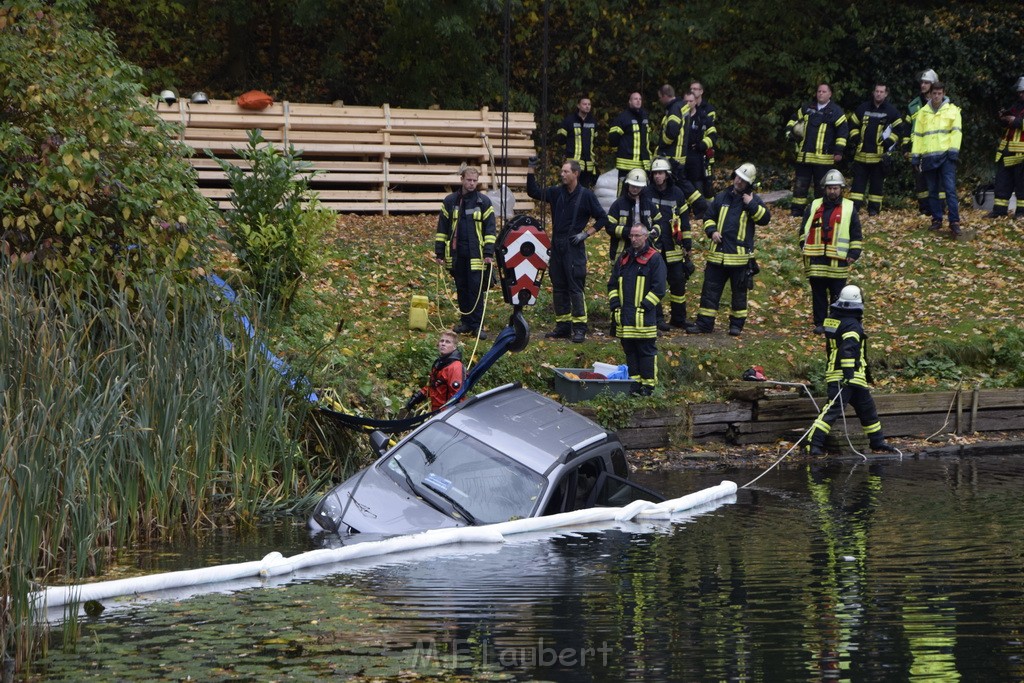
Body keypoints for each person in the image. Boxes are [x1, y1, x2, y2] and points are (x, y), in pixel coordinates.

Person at [806, 285, 897, 456]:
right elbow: (847, 349)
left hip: (852, 376)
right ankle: (813, 443)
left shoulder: (834, 320)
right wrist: (848, 374)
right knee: (832, 410)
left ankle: (877, 442)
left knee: (867, 410)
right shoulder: (852, 325)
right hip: (847, 376)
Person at [526, 159, 608, 343]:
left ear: (575, 174)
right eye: (562, 171)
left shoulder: (586, 195)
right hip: (557, 247)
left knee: (575, 288)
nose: (562, 174)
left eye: (565, 172)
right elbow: (533, 192)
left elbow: (603, 219)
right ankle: (563, 326)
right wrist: (531, 169)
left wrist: (585, 234)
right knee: (559, 287)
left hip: (574, 247)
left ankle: (580, 328)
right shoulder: (556, 193)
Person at [686, 163, 770, 336]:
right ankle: (704, 324)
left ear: (749, 183)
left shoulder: (753, 200)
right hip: (717, 255)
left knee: (739, 294)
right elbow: (708, 217)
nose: (739, 181)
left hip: (740, 259)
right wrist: (712, 231)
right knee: (709, 291)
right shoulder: (722, 196)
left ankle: (736, 326)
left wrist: (751, 204)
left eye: (743, 180)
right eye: (738, 177)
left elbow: (765, 219)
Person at [435, 166, 495, 338]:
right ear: (462, 179)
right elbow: (442, 229)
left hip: (477, 255)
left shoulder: (483, 202)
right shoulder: (450, 201)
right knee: (461, 288)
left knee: (475, 291)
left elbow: (490, 230)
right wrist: (439, 253)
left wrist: (488, 253)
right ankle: (466, 322)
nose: (472, 183)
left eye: (475, 181)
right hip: (456, 254)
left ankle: (477, 326)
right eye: (469, 180)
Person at [800, 170, 863, 333]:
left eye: (835, 188)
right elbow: (803, 230)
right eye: (829, 188)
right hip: (816, 259)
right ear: (824, 189)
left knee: (837, 294)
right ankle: (820, 323)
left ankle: (835, 323)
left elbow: (856, 232)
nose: (832, 191)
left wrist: (853, 254)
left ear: (841, 189)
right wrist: (804, 247)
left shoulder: (849, 208)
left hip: (838, 260)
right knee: (818, 294)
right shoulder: (814, 206)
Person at [608, 223, 666, 396]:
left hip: (643, 319)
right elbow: (612, 285)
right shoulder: (624, 257)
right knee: (630, 352)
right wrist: (615, 306)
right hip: (625, 319)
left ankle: (649, 388)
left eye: (637, 236)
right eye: (631, 236)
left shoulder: (654, 258)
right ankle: (634, 386)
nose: (633, 239)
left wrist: (644, 307)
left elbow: (659, 289)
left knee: (646, 353)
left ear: (645, 236)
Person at [649, 157, 706, 329]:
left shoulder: (678, 194)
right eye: (655, 173)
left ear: (667, 175)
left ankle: (679, 319)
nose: (657, 176)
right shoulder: (647, 193)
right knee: (655, 283)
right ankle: (658, 319)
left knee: (678, 284)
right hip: (654, 246)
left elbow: (684, 221)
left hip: (673, 246)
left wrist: (687, 244)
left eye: (660, 173)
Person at [786, 83, 849, 217]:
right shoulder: (807, 108)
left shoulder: (836, 112)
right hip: (804, 156)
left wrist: (839, 151)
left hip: (824, 159)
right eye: (819, 91)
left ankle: (819, 212)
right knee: (800, 186)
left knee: (821, 188)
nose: (820, 93)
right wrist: (789, 133)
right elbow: (793, 120)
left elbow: (842, 133)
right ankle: (796, 212)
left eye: (824, 91)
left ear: (830, 94)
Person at [910, 81, 963, 236]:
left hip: (947, 156)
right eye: (934, 93)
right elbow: (918, 136)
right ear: (930, 94)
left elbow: (957, 132)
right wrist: (915, 156)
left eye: (940, 93)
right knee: (932, 190)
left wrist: (954, 151)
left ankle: (954, 221)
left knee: (949, 189)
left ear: (944, 93)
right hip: (928, 157)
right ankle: (936, 220)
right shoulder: (922, 113)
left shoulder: (953, 110)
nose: (937, 96)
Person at [848, 84, 903, 215]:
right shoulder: (863, 108)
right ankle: (854, 210)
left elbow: (899, 128)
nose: (878, 94)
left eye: (881, 92)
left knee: (876, 186)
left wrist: (889, 141)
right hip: (861, 155)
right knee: (857, 186)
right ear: (873, 93)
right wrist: (855, 137)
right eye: (877, 91)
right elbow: (853, 124)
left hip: (879, 156)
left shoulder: (891, 111)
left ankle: (873, 210)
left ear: (886, 94)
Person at [599, 168, 658, 264]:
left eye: (638, 187)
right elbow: (609, 226)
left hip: (645, 251)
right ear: (627, 185)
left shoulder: (648, 204)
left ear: (643, 187)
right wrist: (631, 232)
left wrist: (654, 232)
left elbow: (659, 221)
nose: (635, 189)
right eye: (632, 186)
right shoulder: (618, 204)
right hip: (622, 251)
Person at [987, 77, 1024, 219]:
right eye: (1020, 92)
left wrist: (1016, 121)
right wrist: (1004, 117)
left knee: (1022, 186)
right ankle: (999, 211)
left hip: (1022, 154)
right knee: (1002, 183)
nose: (1020, 95)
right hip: (1007, 151)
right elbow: (1009, 120)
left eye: (1023, 92)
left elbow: (1018, 123)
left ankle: (1021, 213)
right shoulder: (1017, 106)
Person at [404, 330, 466, 412]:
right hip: (436, 409)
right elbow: (433, 386)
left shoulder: (455, 367)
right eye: (442, 341)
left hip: (447, 412)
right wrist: (417, 397)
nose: (443, 344)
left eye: (448, 342)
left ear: (454, 347)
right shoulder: (439, 363)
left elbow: (457, 396)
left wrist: (444, 413)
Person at [906, 69, 940, 215]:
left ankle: (939, 207)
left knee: (939, 181)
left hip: (937, 147)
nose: (923, 85)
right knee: (920, 181)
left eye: (926, 82)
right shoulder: (914, 105)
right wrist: (906, 148)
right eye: (922, 82)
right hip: (918, 148)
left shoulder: (943, 102)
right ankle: (925, 208)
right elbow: (907, 127)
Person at [608, 92, 652, 194]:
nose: (638, 101)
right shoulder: (623, 117)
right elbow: (613, 137)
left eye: (640, 99)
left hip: (642, 164)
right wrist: (619, 151)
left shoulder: (644, 117)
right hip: (626, 164)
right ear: (630, 102)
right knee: (623, 192)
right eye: (635, 99)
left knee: (642, 193)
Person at [686, 81, 718, 199]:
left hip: (704, 152)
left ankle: (709, 208)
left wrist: (703, 145)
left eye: (695, 88)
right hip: (690, 154)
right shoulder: (684, 111)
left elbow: (711, 132)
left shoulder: (707, 110)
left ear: (701, 91)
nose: (693, 91)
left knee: (707, 182)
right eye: (691, 88)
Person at [556, 96, 598, 188]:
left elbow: (595, 141)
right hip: (573, 163)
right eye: (584, 104)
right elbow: (560, 139)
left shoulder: (593, 121)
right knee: (571, 187)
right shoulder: (569, 120)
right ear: (578, 106)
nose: (587, 106)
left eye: (589, 104)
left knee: (584, 189)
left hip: (588, 164)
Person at [656, 84, 689, 187]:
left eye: (660, 97)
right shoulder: (681, 105)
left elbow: (672, 131)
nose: (660, 100)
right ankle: (700, 203)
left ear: (665, 95)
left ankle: (702, 203)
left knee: (674, 188)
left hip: (672, 156)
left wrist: (663, 143)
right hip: (679, 156)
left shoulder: (674, 109)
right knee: (682, 187)